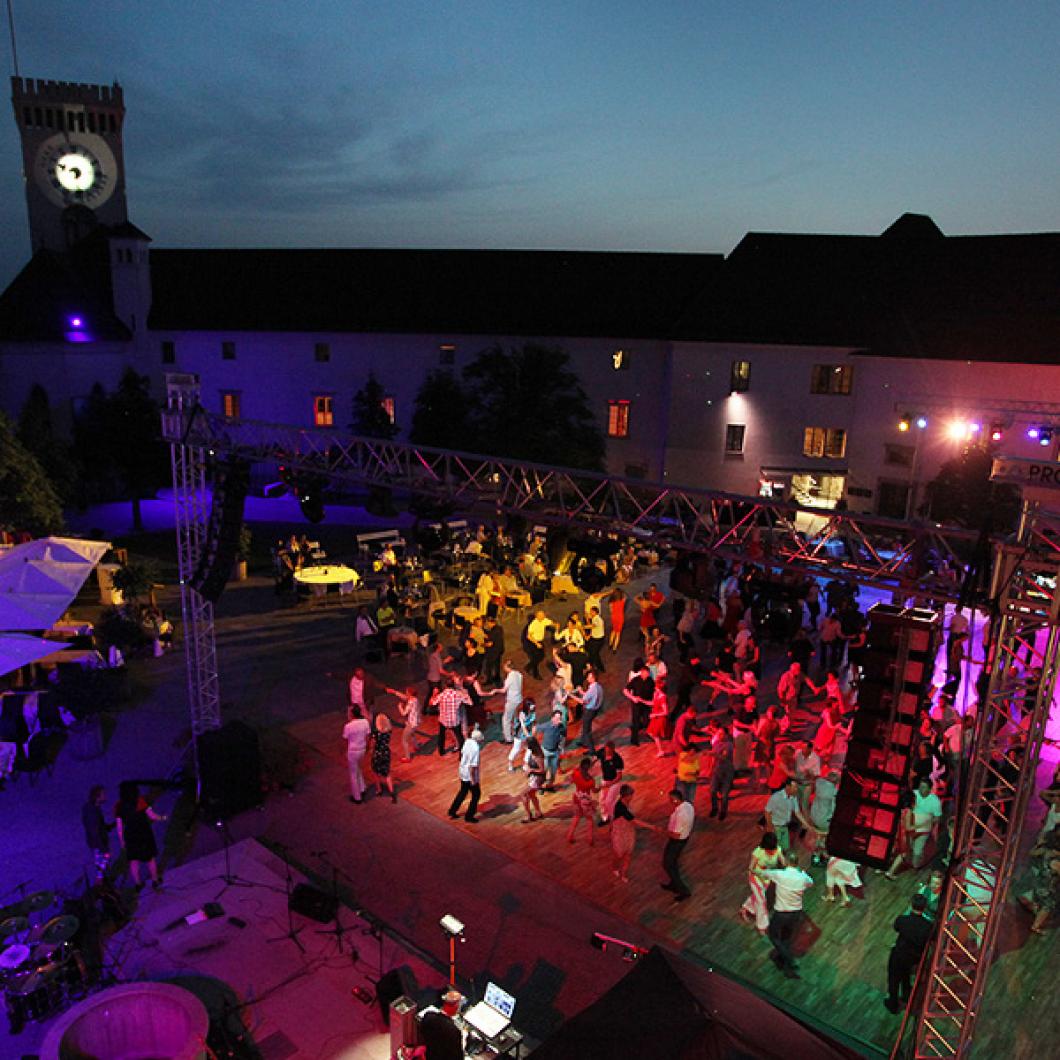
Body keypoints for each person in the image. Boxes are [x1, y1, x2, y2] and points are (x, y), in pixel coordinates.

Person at [755, 850, 814, 979]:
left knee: (773, 935)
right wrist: (802, 872)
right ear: (797, 863)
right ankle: (788, 969)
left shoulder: (780, 875)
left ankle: (789, 958)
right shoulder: (803, 877)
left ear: (787, 862)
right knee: (786, 938)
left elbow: (762, 873)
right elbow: (811, 882)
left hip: (781, 913)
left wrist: (756, 867)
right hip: (795, 914)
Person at [884, 893, 934, 1013]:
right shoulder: (928, 926)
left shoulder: (902, 920)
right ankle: (907, 998)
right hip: (914, 958)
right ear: (924, 907)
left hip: (899, 955)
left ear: (912, 905)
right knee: (906, 979)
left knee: (893, 980)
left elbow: (896, 928)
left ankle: (893, 1004)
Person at [115, 781, 166, 891]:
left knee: (134, 861)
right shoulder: (140, 801)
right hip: (144, 834)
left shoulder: (118, 806)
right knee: (150, 859)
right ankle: (155, 880)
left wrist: (122, 841)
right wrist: (162, 817)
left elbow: (119, 827)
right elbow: (152, 816)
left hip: (131, 835)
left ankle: (138, 884)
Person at [886, 780, 943, 878]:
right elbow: (908, 827)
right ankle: (890, 872)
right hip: (904, 834)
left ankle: (883, 867)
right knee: (903, 854)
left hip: (902, 832)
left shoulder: (905, 809)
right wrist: (924, 825)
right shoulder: (908, 811)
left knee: (895, 850)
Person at [740, 831, 785, 933]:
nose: (773, 851)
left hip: (766, 878)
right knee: (761, 901)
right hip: (756, 878)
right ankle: (762, 926)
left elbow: (783, 861)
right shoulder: (758, 852)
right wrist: (760, 873)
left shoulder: (777, 849)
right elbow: (751, 868)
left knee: (758, 896)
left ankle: (745, 907)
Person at [766, 777, 817, 853]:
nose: (796, 789)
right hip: (776, 828)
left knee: (785, 849)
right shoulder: (776, 797)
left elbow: (797, 813)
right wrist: (770, 827)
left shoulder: (793, 797)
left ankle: (781, 862)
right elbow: (767, 812)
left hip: (785, 827)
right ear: (788, 787)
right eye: (795, 787)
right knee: (775, 851)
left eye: (797, 787)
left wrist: (808, 826)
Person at [662, 788, 694, 902]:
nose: (669, 801)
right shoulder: (688, 806)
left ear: (675, 799)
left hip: (677, 841)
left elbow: (676, 835)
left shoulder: (681, 814)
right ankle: (674, 883)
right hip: (682, 839)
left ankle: (683, 890)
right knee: (672, 862)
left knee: (667, 864)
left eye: (671, 799)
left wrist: (663, 831)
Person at [447, 727, 484, 823]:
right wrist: (473, 780)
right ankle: (469, 816)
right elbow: (472, 766)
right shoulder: (476, 749)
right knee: (476, 794)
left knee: (463, 791)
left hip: (463, 770)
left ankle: (452, 810)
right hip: (469, 775)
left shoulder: (467, 741)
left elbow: (462, 754)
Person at [419, 988, 465, 1060]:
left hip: (430, 1055)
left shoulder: (428, 1016)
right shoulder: (454, 1031)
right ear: (456, 1007)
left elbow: (422, 1032)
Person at [431, 678, 470, 757]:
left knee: (441, 735)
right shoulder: (458, 694)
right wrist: (465, 695)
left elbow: (433, 703)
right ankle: (462, 755)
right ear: (454, 685)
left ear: (445, 685)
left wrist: (434, 694)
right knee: (460, 737)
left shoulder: (441, 695)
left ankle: (441, 751)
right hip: (454, 719)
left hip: (443, 719)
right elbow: (470, 703)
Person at [82, 784, 113, 884]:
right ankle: (100, 887)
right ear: (97, 797)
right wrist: (103, 848)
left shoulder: (94, 808)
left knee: (102, 867)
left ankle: (104, 884)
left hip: (98, 842)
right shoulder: (92, 811)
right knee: (100, 869)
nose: (105, 796)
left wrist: (108, 827)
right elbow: (93, 832)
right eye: (103, 794)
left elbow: (98, 826)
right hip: (98, 844)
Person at [343, 705, 372, 803]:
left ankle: (357, 797)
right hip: (362, 749)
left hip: (353, 751)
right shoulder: (365, 722)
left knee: (353, 773)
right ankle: (362, 788)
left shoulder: (348, 726)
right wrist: (368, 747)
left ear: (351, 713)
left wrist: (345, 752)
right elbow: (368, 736)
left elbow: (346, 740)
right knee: (358, 768)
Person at [566, 756, 598, 845]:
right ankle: (590, 839)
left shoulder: (575, 773)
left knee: (576, 817)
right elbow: (594, 791)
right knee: (589, 819)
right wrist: (600, 788)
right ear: (589, 768)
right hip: (586, 800)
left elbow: (574, 773)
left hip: (576, 798)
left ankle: (570, 835)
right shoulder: (591, 780)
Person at [572, 668, 604, 751]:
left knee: (587, 731)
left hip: (589, 711)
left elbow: (582, 701)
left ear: (593, 678)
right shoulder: (598, 686)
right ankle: (583, 741)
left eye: (589, 677)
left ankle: (591, 750)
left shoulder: (592, 689)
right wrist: (581, 691)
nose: (587, 678)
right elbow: (589, 695)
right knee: (585, 726)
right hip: (594, 710)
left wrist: (571, 696)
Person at [390, 685, 424, 762]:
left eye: (407, 692)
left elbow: (404, 713)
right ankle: (416, 746)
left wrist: (400, 706)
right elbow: (405, 697)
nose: (406, 693)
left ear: (410, 694)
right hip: (415, 723)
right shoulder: (415, 699)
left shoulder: (410, 703)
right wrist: (395, 692)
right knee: (411, 734)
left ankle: (407, 757)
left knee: (404, 740)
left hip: (411, 724)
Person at [610, 783, 637, 881]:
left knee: (628, 854)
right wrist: (652, 827)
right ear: (626, 796)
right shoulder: (620, 806)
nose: (632, 797)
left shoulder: (624, 803)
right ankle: (615, 868)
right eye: (631, 795)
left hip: (628, 831)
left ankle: (624, 874)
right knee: (619, 854)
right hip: (620, 832)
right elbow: (633, 820)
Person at [623, 663, 654, 746]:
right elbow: (625, 690)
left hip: (646, 705)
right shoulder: (635, 680)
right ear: (641, 672)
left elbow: (653, 692)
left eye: (647, 673)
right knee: (635, 722)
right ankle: (634, 740)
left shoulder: (651, 681)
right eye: (644, 673)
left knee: (647, 721)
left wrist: (652, 702)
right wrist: (632, 698)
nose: (646, 675)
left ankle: (648, 733)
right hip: (636, 705)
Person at [708, 728, 735, 820]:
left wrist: (712, 754)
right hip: (717, 771)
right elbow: (713, 758)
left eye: (722, 734)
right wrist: (711, 769)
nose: (719, 735)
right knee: (712, 790)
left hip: (727, 772)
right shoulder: (716, 744)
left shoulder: (729, 745)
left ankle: (723, 811)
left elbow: (723, 757)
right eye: (718, 733)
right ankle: (714, 808)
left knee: (724, 794)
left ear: (726, 735)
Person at [597, 741, 626, 822]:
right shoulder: (602, 752)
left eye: (609, 751)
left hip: (615, 782)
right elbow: (596, 756)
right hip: (605, 780)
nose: (607, 753)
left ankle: (612, 816)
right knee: (602, 800)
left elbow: (619, 776)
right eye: (606, 751)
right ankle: (605, 816)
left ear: (613, 749)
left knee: (609, 801)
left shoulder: (618, 759)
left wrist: (611, 783)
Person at [537, 709, 566, 790]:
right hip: (545, 752)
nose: (559, 720)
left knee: (553, 771)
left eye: (560, 718)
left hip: (555, 752)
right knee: (544, 771)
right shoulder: (547, 725)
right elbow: (537, 728)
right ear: (552, 718)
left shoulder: (561, 727)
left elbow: (563, 736)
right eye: (557, 718)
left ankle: (549, 785)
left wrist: (561, 747)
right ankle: (540, 786)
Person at [371, 713, 396, 802]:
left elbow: (373, 744)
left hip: (378, 753)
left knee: (376, 772)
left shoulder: (376, 733)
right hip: (386, 752)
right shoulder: (389, 732)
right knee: (387, 773)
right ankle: (392, 792)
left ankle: (379, 789)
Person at [520, 736, 546, 823]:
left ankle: (528, 815)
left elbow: (542, 770)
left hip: (537, 779)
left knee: (523, 794)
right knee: (531, 795)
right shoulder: (534, 752)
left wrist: (531, 770)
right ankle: (538, 813)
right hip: (534, 778)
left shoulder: (538, 756)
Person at [497, 659, 523, 744]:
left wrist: (495, 690)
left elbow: (504, 690)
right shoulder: (519, 674)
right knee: (516, 717)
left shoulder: (510, 677)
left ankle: (508, 739)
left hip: (512, 700)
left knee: (506, 719)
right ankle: (517, 733)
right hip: (519, 698)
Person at [525, 610, 556, 679]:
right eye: (541, 616)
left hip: (540, 641)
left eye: (543, 615)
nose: (543, 616)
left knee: (541, 656)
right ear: (537, 616)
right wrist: (536, 643)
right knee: (536, 658)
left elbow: (550, 622)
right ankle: (535, 674)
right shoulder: (533, 624)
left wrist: (555, 625)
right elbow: (528, 636)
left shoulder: (544, 620)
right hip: (534, 642)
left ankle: (529, 666)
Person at [509, 698, 537, 771]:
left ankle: (526, 764)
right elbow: (523, 726)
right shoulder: (522, 714)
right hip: (519, 733)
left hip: (528, 731)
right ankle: (510, 763)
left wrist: (533, 734)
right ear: (527, 706)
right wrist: (528, 736)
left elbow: (534, 724)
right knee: (516, 749)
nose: (534, 706)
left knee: (530, 748)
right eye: (532, 705)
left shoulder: (533, 712)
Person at [646, 679, 671, 757]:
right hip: (655, 718)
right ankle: (661, 750)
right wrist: (642, 701)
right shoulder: (656, 694)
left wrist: (655, 715)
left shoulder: (663, 697)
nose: (654, 688)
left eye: (656, 687)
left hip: (660, 718)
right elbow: (653, 703)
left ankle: (661, 751)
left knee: (655, 734)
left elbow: (666, 712)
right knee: (651, 733)